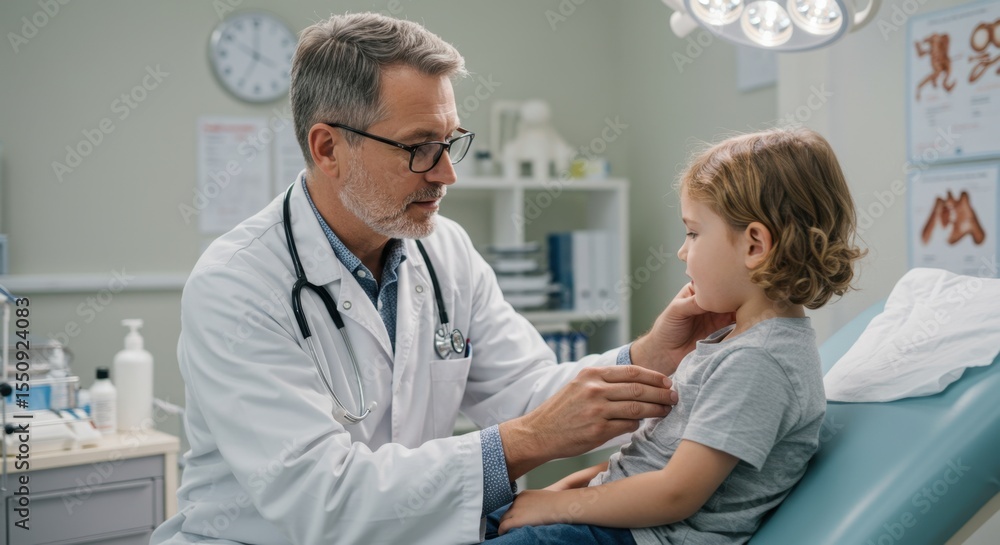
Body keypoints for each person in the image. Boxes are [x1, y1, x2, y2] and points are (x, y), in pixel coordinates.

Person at [151, 12, 699, 545]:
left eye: (450, 141)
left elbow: (527, 391)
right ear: (328, 148)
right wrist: (529, 441)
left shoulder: (444, 250)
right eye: (419, 148)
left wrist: (652, 355)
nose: (447, 174)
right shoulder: (237, 285)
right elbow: (321, 498)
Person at [485, 128, 865, 544]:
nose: (682, 251)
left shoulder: (758, 362)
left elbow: (675, 493)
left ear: (755, 245)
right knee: (472, 524)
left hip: (644, 536)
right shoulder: (734, 343)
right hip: (610, 520)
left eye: (693, 233)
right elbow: (652, 455)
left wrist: (558, 506)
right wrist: (565, 491)